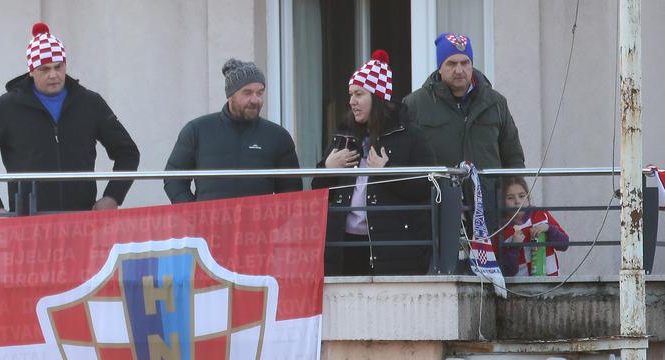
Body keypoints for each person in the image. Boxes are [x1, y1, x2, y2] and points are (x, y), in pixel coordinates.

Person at [0, 22, 141, 214]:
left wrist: (113, 196)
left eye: (58, 67)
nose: (53, 75)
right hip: (29, 223)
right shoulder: (7, 107)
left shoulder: (90, 103)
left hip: (81, 220)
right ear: (31, 71)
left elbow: (128, 152)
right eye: (44, 69)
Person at [316, 50, 437, 275]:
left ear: (378, 96)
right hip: (344, 245)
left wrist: (386, 172)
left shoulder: (410, 135)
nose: (352, 101)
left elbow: (425, 187)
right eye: (351, 94)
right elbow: (318, 189)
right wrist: (326, 169)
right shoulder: (344, 135)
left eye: (359, 94)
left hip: (392, 249)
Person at [402, 33, 525, 235]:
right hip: (437, 211)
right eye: (451, 63)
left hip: (491, 212)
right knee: (443, 267)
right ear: (440, 67)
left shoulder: (495, 103)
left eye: (465, 62)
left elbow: (513, 155)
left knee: (495, 266)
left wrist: (512, 200)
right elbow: (405, 158)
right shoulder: (415, 105)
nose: (459, 70)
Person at [163, 58, 300, 204]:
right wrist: (195, 214)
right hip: (209, 225)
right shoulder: (197, 130)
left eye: (260, 93)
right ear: (230, 95)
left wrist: (273, 221)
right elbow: (173, 178)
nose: (256, 100)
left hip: (260, 225)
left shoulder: (278, 136)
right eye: (247, 93)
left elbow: (291, 190)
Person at [498, 176, 570, 277]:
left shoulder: (540, 214)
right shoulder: (502, 230)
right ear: (503, 202)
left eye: (522, 196)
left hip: (551, 282)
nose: (517, 201)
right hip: (522, 288)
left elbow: (564, 244)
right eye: (510, 198)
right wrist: (514, 247)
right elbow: (507, 272)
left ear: (528, 197)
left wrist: (549, 229)